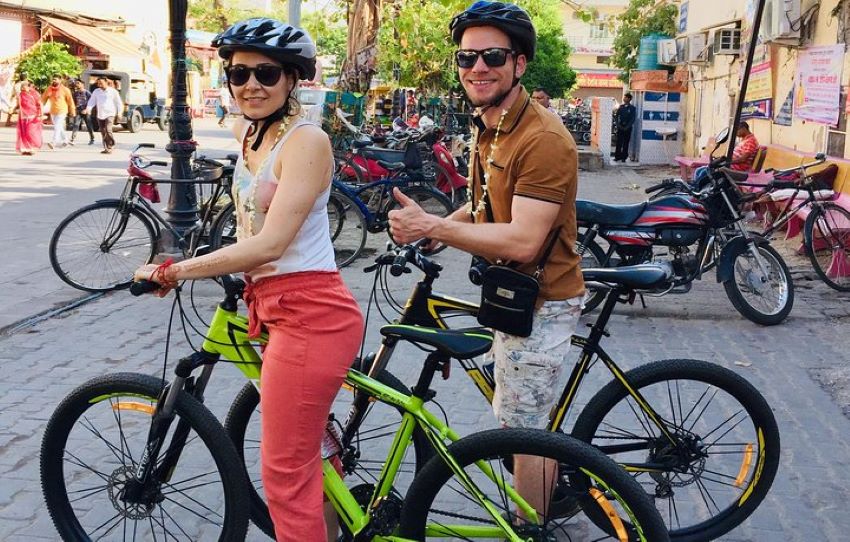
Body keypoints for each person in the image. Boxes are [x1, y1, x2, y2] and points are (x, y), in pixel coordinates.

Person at [133, 17, 363, 542]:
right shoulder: (252, 131)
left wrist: (175, 270)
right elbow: (229, 128)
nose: (251, 85)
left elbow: (270, 244)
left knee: (284, 475)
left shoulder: (306, 142)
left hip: (311, 315)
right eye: (239, 74)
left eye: (267, 73)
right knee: (311, 457)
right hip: (273, 307)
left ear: (293, 78)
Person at [388, 0, 585, 520]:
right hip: (511, 295)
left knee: (523, 433)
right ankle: (548, 498)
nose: (478, 67)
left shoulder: (541, 138)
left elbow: (522, 241)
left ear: (519, 64)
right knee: (522, 417)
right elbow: (484, 205)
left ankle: (531, 527)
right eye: (466, 57)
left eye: (493, 57)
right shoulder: (491, 125)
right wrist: (440, 230)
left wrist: (434, 227)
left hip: (541, 301)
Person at [84, 77, 123, 154]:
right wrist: (88, 109)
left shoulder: (113, 91)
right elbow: (92, 101)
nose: (99, 85)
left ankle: (111, 145)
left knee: (108, 130)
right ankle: (106, 148)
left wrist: (119, 113)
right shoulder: (96, 91)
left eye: (101, 83)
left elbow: (119, 103)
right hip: (100, 114)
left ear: (106, 82)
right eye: (98, 83)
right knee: (103, 132)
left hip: (110, 113)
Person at [41, 76, 75, 149]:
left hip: (62, 110)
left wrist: (72, 111)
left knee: (57, 126)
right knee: (59, 126)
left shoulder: (65, 90)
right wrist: (39, 108)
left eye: (55, 79)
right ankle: (66, 140)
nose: (54, 81)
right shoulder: (49, 89)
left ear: (60, 80)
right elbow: (43, 99)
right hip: (53, 111)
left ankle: (54, 142)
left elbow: (70, 101)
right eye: (53, 79)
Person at [15, 80, 43, 156]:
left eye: (24, 86)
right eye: (22, 86)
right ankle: (27, 149)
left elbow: (40, 104)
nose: (22, 87)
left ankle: (35, 145)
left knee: (30, 132)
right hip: (23, 116)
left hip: (33, 116)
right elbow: (18, 104)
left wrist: (41, 114)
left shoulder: (34, 94)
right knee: (23, 133)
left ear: (29, 86)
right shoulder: (20, 95)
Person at [69, 79, 95, 145]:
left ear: (82, 84)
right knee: (76, 125)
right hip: (78, 111)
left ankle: (92, 139)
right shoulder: (75, 93)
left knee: (89, 125)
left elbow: (92, 102)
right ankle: (72, 139)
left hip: (86, 111)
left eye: (78, 83)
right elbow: (73, 102)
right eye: (76, 83)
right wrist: (73, 110)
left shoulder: (87, 93)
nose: (76, 84)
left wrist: (87, 110)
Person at [614, 92, 636, 162]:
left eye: (626, 97)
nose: (624, 98)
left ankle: (624, 157)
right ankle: (617, 157)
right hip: (620, 126)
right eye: (624, 97)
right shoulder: (621, 107)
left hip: (628, 127)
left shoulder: (632, 108)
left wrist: (627, 127)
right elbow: (616, 116)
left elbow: (633, 119)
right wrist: (618, 125)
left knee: (626, 143)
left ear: (629, 99)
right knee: (619, 142)